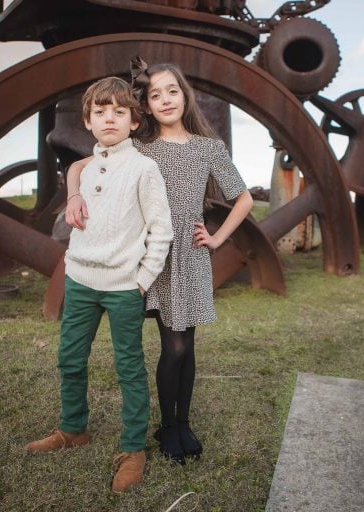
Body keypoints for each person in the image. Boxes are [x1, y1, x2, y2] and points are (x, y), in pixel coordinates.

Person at [66, 60, 253, 465]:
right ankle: (168, 427)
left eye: (172, 91)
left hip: (190, 255)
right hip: (151, 255)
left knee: (187, 346)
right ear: (146, 107)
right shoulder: (139, 148)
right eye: (155, 94)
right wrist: (73, 195)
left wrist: (218, 238)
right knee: (173, 345)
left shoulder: (209, 148)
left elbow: (244, 197)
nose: (165, 99)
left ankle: (181, 423)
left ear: (185, 96)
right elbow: (82, 165)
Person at [25, 76, 173, 494]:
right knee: (70, 358)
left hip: (125, 286)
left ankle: (133, 449)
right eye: (100, 111)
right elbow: (75, 169)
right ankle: (73, 429)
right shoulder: (83, 168)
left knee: (129, 369)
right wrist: (72, 195)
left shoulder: (145, 168)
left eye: (119, 112)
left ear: (134, 121)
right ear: (88, 122)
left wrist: (142, 281)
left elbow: (162, 230)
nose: (110, 118)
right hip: (81, 280)